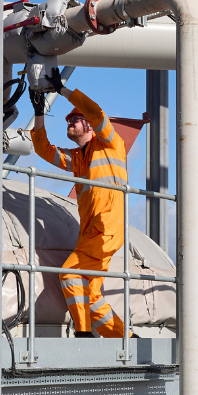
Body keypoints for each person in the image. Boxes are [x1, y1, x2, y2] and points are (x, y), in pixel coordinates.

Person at [32, 83, 131, 338]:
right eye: (69, 120)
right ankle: (127, 339)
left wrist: (62, 90)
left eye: (75, 119)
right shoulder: (76, 159)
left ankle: (83, 335)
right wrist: (40, 113)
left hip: (107, 228)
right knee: (92, 296)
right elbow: (44, 150)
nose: (70, 123)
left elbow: (96, 112)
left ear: (89, 125)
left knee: (69, 273)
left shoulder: (110, 144)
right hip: (89, 232)